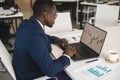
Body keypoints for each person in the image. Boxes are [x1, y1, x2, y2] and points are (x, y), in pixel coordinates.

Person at [12, 0, 76, 80]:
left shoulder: (27, 24)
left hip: (23, 68)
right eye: (54, 14)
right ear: (46, 15)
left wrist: (57, 40)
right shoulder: (35, 37)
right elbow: (50, 70)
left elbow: (42, 36)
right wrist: (66, 55)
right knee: (72, 75)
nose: (55, 18)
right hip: (30, 75)